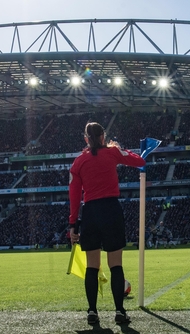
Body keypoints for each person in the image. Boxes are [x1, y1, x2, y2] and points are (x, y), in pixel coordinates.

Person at [69, 122, 145, 326]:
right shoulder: (112, 153)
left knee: (92, 267)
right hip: (111, 210)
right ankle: (120, 311)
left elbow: (74, 195)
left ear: (86, 139)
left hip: (91, 212)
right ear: (103, 136)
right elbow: (139, 161)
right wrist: (119, 148)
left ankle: (92, 311)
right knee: (116, 265)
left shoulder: (78, 162)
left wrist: (73, 224)